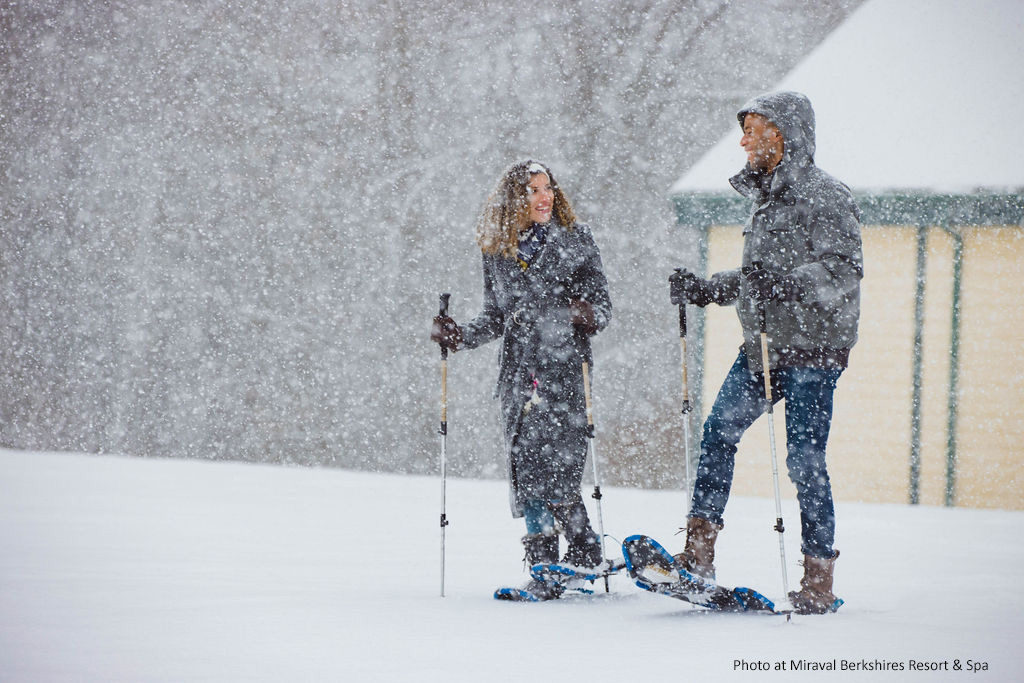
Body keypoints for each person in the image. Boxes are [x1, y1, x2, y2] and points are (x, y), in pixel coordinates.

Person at [669, 91, 862, 614]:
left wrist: (789, 285)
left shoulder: (828, 196)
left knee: (803, 459)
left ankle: (818, 580)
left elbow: (842, 270)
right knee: (718, 431)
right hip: (763, 347)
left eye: (753, 130)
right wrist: (708, 289)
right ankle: (698, 555)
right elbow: (759, 279)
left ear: (785, 134)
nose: (744, 141)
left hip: (813, 349)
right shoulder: (766, 199)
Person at [431, 160, 612, 600]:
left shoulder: (577, 241)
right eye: (533, 190)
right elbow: (496, 316)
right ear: (515, 199)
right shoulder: (498, 251)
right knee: (526, 467)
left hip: (565, 371)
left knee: (561, 467)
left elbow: (603, 307)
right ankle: (543, 562)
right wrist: (459, 336)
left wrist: (577, 314)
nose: (544, 196)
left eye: (547, 188)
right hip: (517, 375)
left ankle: (584, 548)